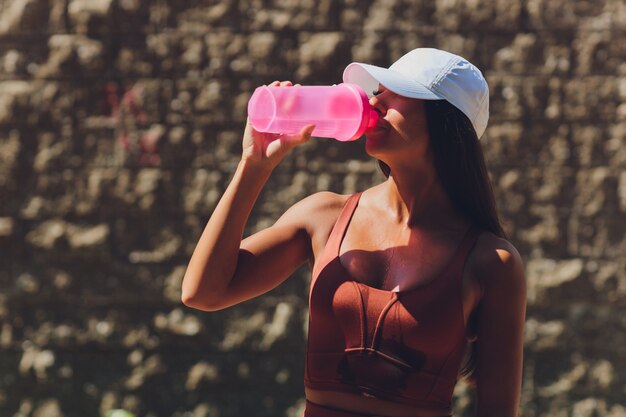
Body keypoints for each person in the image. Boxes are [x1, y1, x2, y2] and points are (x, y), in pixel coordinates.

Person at [182, 48, 526, 417]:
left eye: (395, 94)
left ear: (446, 122)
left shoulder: (492, 262)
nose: (375, 101)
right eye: (378, 90)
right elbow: (203, 292)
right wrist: (254, 164)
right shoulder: (324, 216)